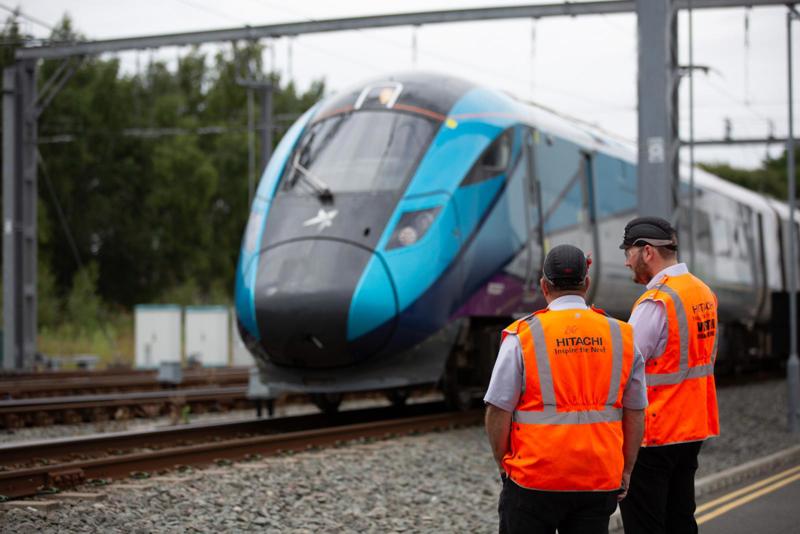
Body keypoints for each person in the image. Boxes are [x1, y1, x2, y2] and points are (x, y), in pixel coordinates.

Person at [484, 244, 647, 534]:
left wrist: (503, 464)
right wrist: (626, 469)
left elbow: (498, 409)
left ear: (544, 285)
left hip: (533, 478)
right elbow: (635, 411)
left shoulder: (523, 335)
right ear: (587, 283)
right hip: (598, 477)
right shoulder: (622, 335)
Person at [617, 216, 720, 534]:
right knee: (680, 519)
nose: (626, 262)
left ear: (647, 251)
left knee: (645, 525)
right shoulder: (702, 292)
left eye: (629, 253)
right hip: (692, 427)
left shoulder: (656, 302)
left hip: (655, 432)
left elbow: (625, 367)